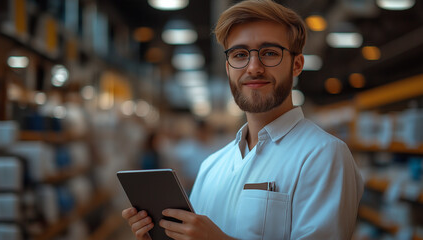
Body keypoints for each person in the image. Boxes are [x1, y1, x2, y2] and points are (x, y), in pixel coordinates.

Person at [122, 0, 364, 239]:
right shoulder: (212, 167)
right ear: (228, 67)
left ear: (297, 64)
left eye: (270, 53)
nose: (253, 67)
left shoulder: (323, 155)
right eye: (239, 54)